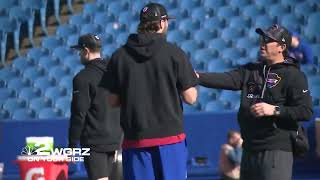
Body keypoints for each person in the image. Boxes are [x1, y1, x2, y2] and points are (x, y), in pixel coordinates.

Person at [196, 24, 313, 180]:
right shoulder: (251, 70)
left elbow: (305, 111)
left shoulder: (293, 75)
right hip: (249, 148)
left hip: (275, 149)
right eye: (262, 39)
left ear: (282, 47)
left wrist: (275, 110)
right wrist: (196, 77)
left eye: (268, 40)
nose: (262, 43)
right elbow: (226, 79)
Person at [102, 3, 198, 180]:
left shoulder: (119, 56)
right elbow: (190, 98)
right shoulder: (175, 53)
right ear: (161, 23)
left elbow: (112, 101)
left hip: (136, 140)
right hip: (170, 139)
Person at [68, 34, 122, 180]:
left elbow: (79, 113)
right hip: (117, 141)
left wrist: (72, 145)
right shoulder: (115, 73)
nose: (79, 55)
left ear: (86, 51)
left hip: (95, 143)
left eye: (80, 51)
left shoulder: (82, 78)